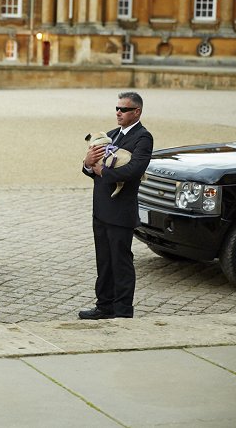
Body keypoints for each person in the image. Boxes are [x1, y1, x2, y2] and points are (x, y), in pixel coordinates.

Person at [79, 91, 154, 320]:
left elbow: (135, 171)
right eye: (117, 108)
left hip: (121, 212)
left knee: (121, 263)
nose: (118, 113)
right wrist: (88, 164)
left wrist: (103, 171)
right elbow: (93, 168)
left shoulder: (143, 138)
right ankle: (104, 306)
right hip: (101, 210)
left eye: (124, 109)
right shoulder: (110, 135)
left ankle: (122, 311)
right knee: (104, 262)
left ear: (137, 112)